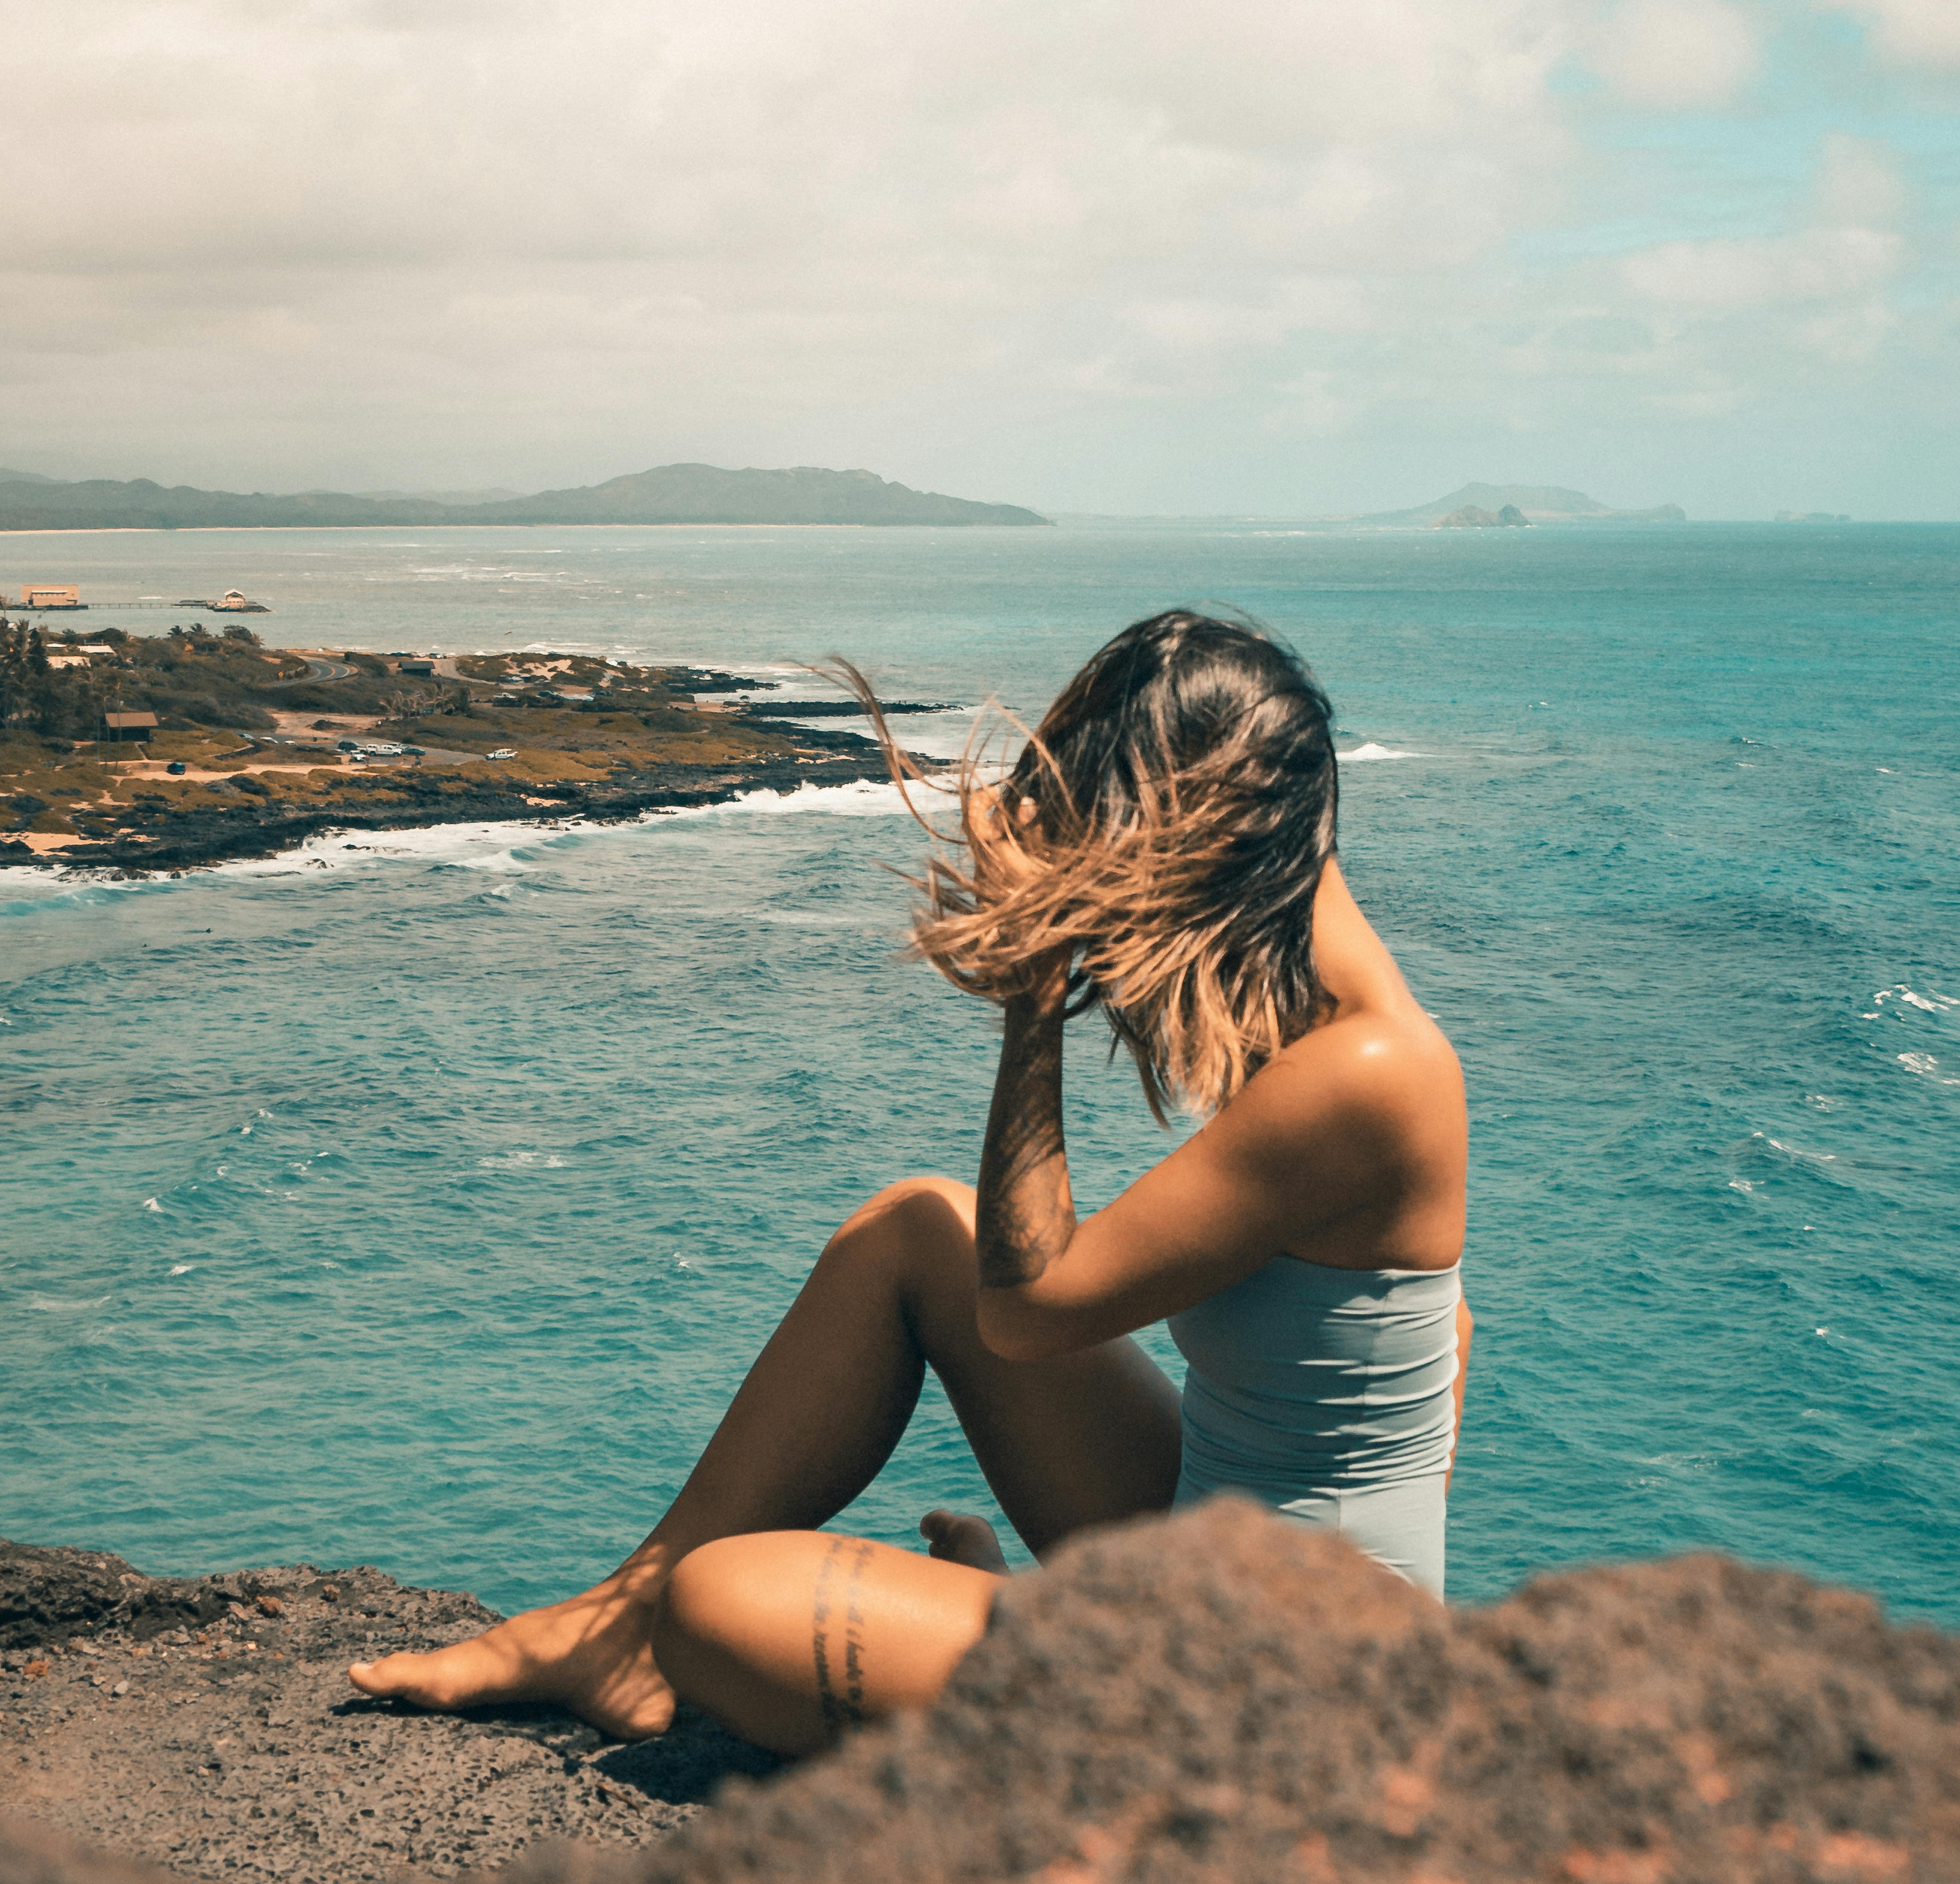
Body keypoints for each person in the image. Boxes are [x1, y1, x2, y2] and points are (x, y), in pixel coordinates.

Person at [350, 610, 1471, 1756]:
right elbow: (1448, 1344)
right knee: (914, 1230)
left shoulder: (1367, 1071)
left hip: (1292, 1677)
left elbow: (1031, 1311)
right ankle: (613, 1623)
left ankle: (1031, 1658)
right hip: (1222, 1552)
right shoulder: (1314, 1021)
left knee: (723, 1607)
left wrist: (1033, 994)